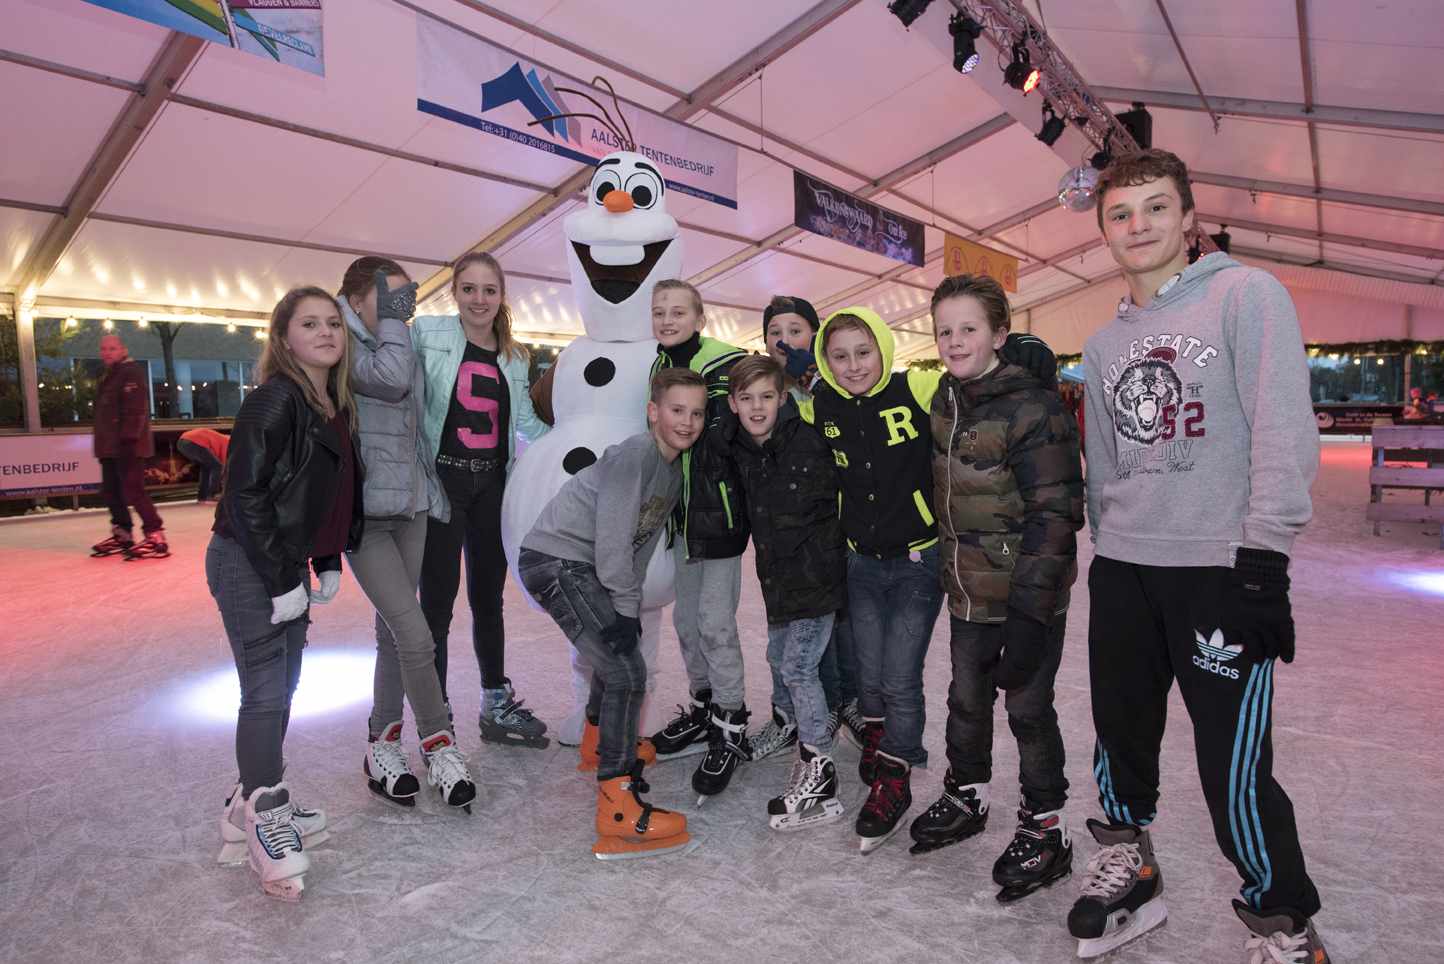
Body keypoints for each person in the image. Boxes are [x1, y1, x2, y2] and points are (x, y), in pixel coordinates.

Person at [1073, 148, 1328, 961]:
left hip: (1219, 569)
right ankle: (1132, 863)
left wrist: (1265, 557)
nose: (1137, 225)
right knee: (1120, 733)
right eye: (1120, 214)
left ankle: (1283, 919)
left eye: (1154, 208)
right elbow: (1105, 457)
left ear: (1188, 218)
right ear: (1104, 231)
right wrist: (1105, 545)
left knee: (1233, 763)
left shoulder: (1246, 295)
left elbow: (1283, 426)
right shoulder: (1105, 341)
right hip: (1124, 565)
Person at [799, 306, 1057, 853]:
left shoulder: (916, 387)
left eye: (863, 353)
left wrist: (1016, 358)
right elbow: (784, 420)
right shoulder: (820, 404)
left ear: (885, 350)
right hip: (860, 562)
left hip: (919, 562)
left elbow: (969, 375)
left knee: (899, 675)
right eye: (839, 356)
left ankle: (898, 769)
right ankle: (881, 738)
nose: (852, 366)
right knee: (868, 675)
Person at [909, 274, 1084, 906]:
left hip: (1026, 594)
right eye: (944, 330)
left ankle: (1046, 824)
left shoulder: (1035, 407)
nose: (954, 341)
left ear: (1000, 334)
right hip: (966, 589)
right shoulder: (944, 402)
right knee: (966, 698)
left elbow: (1056, 513)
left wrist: (1032, 614)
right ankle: (968, 792)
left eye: (968, 328)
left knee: (1029, 710)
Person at [207, 287, 364, 900]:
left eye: (334, 323)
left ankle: (245, 803)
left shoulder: (330, 405)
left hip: (282, 562)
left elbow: (325, 497)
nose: (326, 332)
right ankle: (265, 818)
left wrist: (323, 558)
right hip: (249, 562)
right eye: (310, 323)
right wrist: (280, 581)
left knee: (284, 688)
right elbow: (242, 496)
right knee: (265, 694)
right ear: (284, 336)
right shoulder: (275, 400)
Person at [517, 368, 706, 859]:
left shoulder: (670, 467)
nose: (687, 422)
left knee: (616, 656)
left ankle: (597, 743)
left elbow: (638, 548)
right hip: (557, 559)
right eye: (676, 410)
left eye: (696, 412)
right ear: (653, 412)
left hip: (582, 564)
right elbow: (613, 540)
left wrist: (630, 608)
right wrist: (622, 607)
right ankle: (617, 808)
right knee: (626, 670)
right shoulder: (635, 455)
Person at [340, 257, 475, 813]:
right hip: (366, 515)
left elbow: (416, 418)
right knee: (416, 635)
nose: (400, 310)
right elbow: (392, 381)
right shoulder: (341, 343)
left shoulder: (398, 341)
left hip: (412, 505)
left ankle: (382, 744)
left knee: (391, 633)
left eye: (404, 300)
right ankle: (439, 743)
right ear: (354, 299)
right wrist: (395, 322)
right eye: (387, 299)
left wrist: (430, 490)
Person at [413, 252, 551, 749]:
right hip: (443, 485)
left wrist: (572, 435)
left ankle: (495, 701)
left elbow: (527, 424)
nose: (479, 299)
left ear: (501, 295)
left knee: (488, 600)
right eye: (469, 289)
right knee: (437, 605)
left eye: (488, 290)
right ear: (454, 292)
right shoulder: (426, 332)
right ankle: (437, 714)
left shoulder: (514, 355)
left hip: (491, 487)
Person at [717, 355, 847, 831]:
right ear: (733, 404)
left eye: (766, 397)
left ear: (783, 398)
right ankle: (790, 725)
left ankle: (820, 766)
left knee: (798, 666)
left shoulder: (806, 443)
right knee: (778, 657)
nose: (756, 407)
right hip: (778, 583)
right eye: (746, 399)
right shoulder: (740, 444)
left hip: (816, 580)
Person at [646, 280, 753, 803]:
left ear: (700, 317)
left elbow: (760, 416)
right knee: (687, 622)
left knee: (714, 622)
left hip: (722, 518)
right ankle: (705, 707)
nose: (667, 320)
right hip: (683, 518)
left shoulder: (727, 363)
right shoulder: (657, 367)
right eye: (659, 312)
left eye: (678, 312)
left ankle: (731, 722)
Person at [764, 294, 862, 748]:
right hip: (786, 541)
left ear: (814, 337)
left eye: (795, 330)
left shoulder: (836, 389)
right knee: (792, 638)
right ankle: (795, 715)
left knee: (842, 627)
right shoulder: (768, 398)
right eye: (775, 332)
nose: (784, 341)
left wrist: (812, 374)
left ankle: (848, 704)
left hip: (840, 530)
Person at [90, 334, 166, 559]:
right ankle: (122, 532)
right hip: (109, 447)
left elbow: (135, 410)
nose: (107, 353)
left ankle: (155, 535)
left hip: (127, 446)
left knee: (134, 490)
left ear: (123, 349)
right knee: (111, 491)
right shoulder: (110, 375)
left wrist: (129, 440)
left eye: (112, 348)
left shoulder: (130, 372)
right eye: (103, 349)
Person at [176, 427, 229, 502]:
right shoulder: (229, 442)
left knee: (206, 467)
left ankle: (202, 496)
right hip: (194, 442)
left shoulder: (222, 439)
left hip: (181, 443)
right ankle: (213, 494)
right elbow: (223, 469)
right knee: (217, 466)